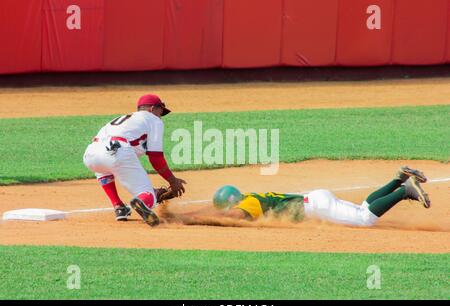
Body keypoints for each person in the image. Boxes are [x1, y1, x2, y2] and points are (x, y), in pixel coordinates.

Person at [83, 94, 186, 226]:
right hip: (117, 151)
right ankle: (143, 201)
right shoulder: (154, 120)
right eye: (160, 112)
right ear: (152, 109)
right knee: (147, 194)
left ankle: (119, 207)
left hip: (91, 154)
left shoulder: (123, 119)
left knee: (104, 169)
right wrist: (172, 180)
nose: (160, 116)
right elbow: (156, 157)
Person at [211, 166, 430, 227]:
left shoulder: (248, 203)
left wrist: (208, 220)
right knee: (363, 206)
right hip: (317, 200)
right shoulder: (250, 196)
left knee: (365, 219)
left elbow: (237, 216)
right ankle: (398, 179)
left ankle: (405, 190)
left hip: (318, 207)